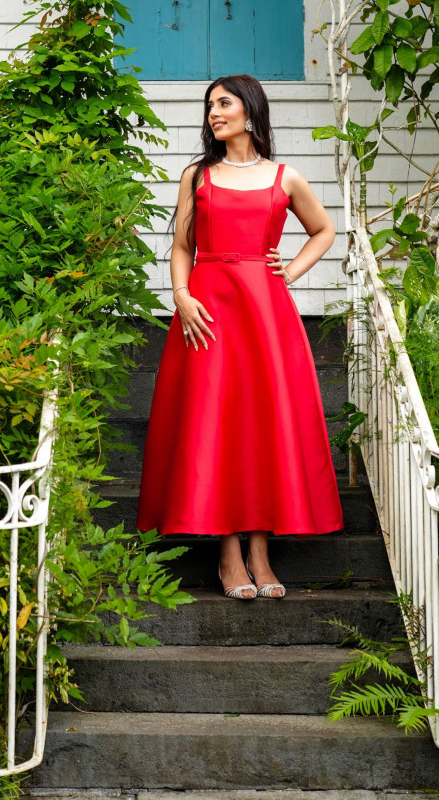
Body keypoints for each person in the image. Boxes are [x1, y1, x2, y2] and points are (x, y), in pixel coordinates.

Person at [135, 75, 345, 599]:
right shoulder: (197, 176)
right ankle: (229, 554)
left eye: (223, 103)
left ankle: (260, 551)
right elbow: (183, 245)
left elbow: (325, 231)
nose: (213, 113)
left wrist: (290, 272)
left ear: (250, 111)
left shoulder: (285, 177)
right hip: (206, 307)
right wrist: (181, 295)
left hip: (265, 312)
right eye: (209, 106)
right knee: (217, 422)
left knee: (261, 424)